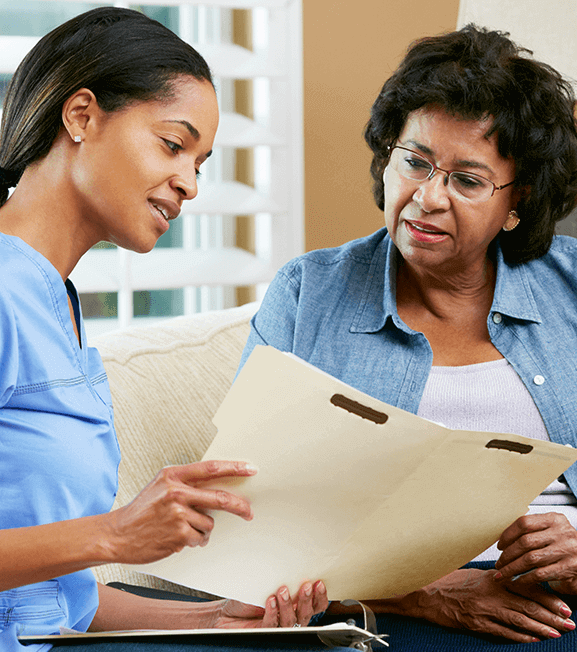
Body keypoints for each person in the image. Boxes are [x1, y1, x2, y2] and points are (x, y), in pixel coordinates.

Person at [0, 8, 330, 652]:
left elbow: (54, 598)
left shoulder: (57, 305)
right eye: (172, 144)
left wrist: (211, 621)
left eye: (201, 162)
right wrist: (115, 535)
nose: (188, 182)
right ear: (81, 116)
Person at [238, 24, 577, 648]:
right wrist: (426, 594)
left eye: (468, 180)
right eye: (414, 162)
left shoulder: (573, 284)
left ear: (518, 202)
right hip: (381, 613)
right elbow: (250, 515)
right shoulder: (307, 293)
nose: (427, 197)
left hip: (558, 608)